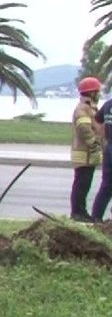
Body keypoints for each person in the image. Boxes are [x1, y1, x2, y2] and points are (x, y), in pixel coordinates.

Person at [70, 76, 103, 222]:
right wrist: (94, 143)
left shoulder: (89, 107)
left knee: (84, 185)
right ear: (91, 92)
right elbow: (84, 128)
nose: (99, 93)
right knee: (81, 185)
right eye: (97, 91)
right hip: (84, 154)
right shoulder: (83, 109)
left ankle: (81, 212)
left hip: (87, 154)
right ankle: (78, 213)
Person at [91, 83, 112, 221]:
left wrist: (104, 136)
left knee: (106, 185)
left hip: (110, 148)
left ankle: (96, 218)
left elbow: (97, 120)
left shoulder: (108, 104)